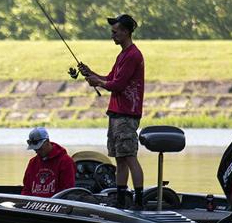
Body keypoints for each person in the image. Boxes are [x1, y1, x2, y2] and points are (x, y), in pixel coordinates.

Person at [78, 14, 145, 208]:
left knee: (130, 156)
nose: (112, 35)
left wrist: (98, 82)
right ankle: (122, 199)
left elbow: (117, 85)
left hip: (127, 113)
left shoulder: (133, 55)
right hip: (116, 113)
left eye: (115, 32)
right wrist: (91, 73)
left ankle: (139, 201)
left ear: (125, 32)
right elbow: (109, 77)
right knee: (120, 158)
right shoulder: (122, 55)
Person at [20, 127, 75, 197]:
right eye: (34, 148)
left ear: (47, 142)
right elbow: (27, 189)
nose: (37, 151)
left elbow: (67, 191)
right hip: (33, 204)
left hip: (55, 205)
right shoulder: (32, 162)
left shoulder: (66, 161)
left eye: (39, 148)